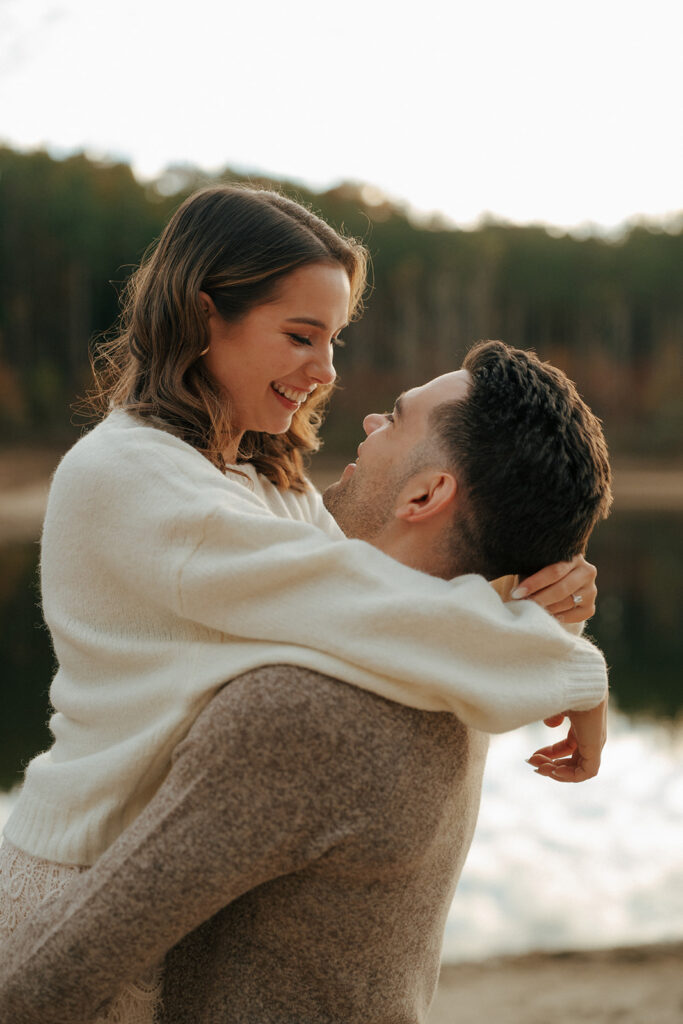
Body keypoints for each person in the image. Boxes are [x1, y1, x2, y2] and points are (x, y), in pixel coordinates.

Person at [0, 340, 612, 1023]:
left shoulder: (307, 710)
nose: (368, 424)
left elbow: (46, 978)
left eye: (394, 417)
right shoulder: (464, 670)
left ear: (426, 494)